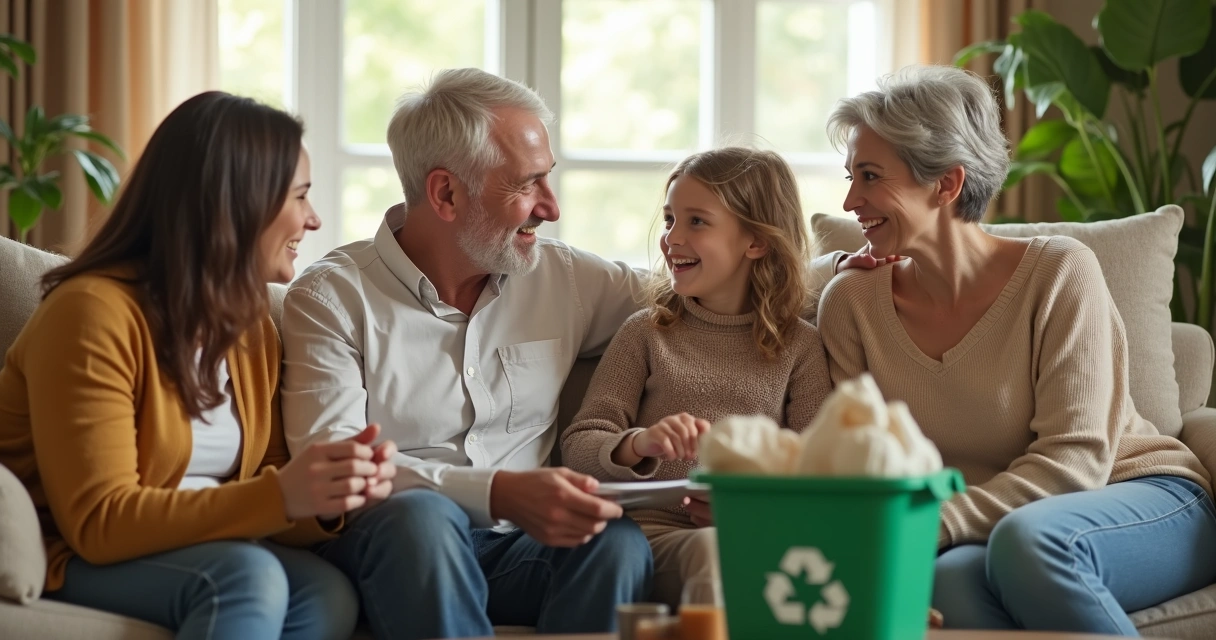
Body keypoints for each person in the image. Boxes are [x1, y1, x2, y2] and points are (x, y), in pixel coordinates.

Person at [817, 64, 1216, 635]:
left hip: (1137, 496)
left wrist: (939, 520)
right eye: (851, 175)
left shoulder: (1058, 272)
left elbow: (1075, 461)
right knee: (951, 580)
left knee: (1030, 543)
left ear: (946, 184)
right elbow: (858, 456)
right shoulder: (851, 303)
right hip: (995, 529)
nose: (851, 199)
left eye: (871, 176)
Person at [0, 91, 398, 640]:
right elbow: (99, 520)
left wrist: (333, 492)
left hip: (195, 546)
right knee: (244, 576)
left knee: (326, 591)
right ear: (236, 203)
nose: (313, 218)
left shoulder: (251, 327)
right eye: (300, 196)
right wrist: (283, 494)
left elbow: (268, 479)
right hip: (72, 547)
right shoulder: (91, 314)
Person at [279, 68, 653, 640]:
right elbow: (335, 470)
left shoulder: (567, 277)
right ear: (446, 193)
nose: (551, 208)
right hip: (395, 545)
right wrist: (498, 492)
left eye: (546, 181)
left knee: (615, 541)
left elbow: (705, 290)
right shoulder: (332, 298)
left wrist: (835, 269)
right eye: (527, 185)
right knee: (422, 521)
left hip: (517, 550)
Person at [560, 147, 832, 609]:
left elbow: (817, 472)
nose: (671, 238)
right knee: (711, 551)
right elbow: (580, 443)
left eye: (696, 222)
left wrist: (751, 509)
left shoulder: (801, 347)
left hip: (758, 536)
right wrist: (639, 444)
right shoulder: (647, 332)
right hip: (650, 536)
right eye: (669, 220)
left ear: (757, 242)